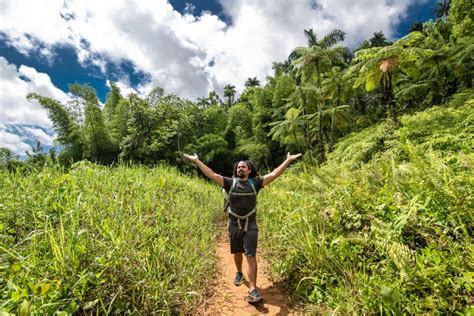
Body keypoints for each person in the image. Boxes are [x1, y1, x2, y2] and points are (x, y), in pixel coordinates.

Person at [183, 152, 302, 304]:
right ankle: (239, 272)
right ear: (236, 170)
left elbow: (273, 174)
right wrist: (197, 161)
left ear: (249, 170)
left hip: (251, 224)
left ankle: (252, 289)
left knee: (250, 255)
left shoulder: (256, 183)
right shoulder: (229, 183)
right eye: (238, 167)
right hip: (234, 224)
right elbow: (211, 174)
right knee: (237, 252)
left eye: (244, 167)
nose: (240, 169)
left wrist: (287, 161)